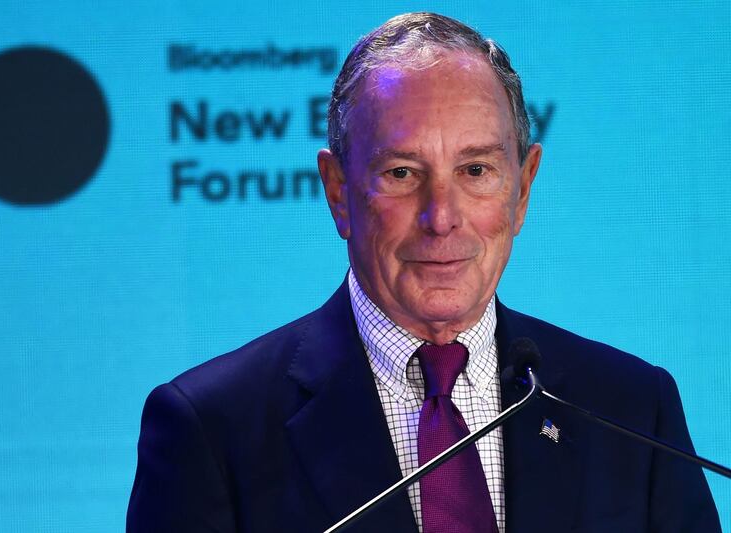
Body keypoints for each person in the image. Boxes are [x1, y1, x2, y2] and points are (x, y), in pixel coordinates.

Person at [127, 12, 721, 533]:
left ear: (523, 189)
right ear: (338, 192)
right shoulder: (211, 431)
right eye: (403, 173)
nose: (442, 219)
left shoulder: (633, 411)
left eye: (477, 170)